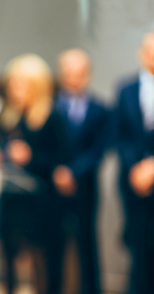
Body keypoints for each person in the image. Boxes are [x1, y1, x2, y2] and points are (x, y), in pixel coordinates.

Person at [0, 54, 65, 294]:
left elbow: (61, 160)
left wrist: (32, 157)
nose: (15, 90)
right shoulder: (9, 117)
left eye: (22, 83)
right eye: (12, 83)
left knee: (42, 263)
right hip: (11, 198)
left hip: (41, 204)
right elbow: (1, 149)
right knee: (6, 254)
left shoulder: (52, 117)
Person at [50, 48, 109, 294]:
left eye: (79, 73)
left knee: (87, 243)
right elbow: (46, 146)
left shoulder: (101, 110)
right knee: (54, 245)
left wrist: (74, 172)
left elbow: (100, 149)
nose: (74, 78)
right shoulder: (49, 108)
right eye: (69, 73)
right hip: (52, 186)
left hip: (85, 186)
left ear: (88, 74)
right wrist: (58, 171)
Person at [116, 32, 154, 294]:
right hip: (134, 181)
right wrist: (137, 168)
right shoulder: (125, 89)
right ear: (141, 53)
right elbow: (119, 136)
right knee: (137, 244)